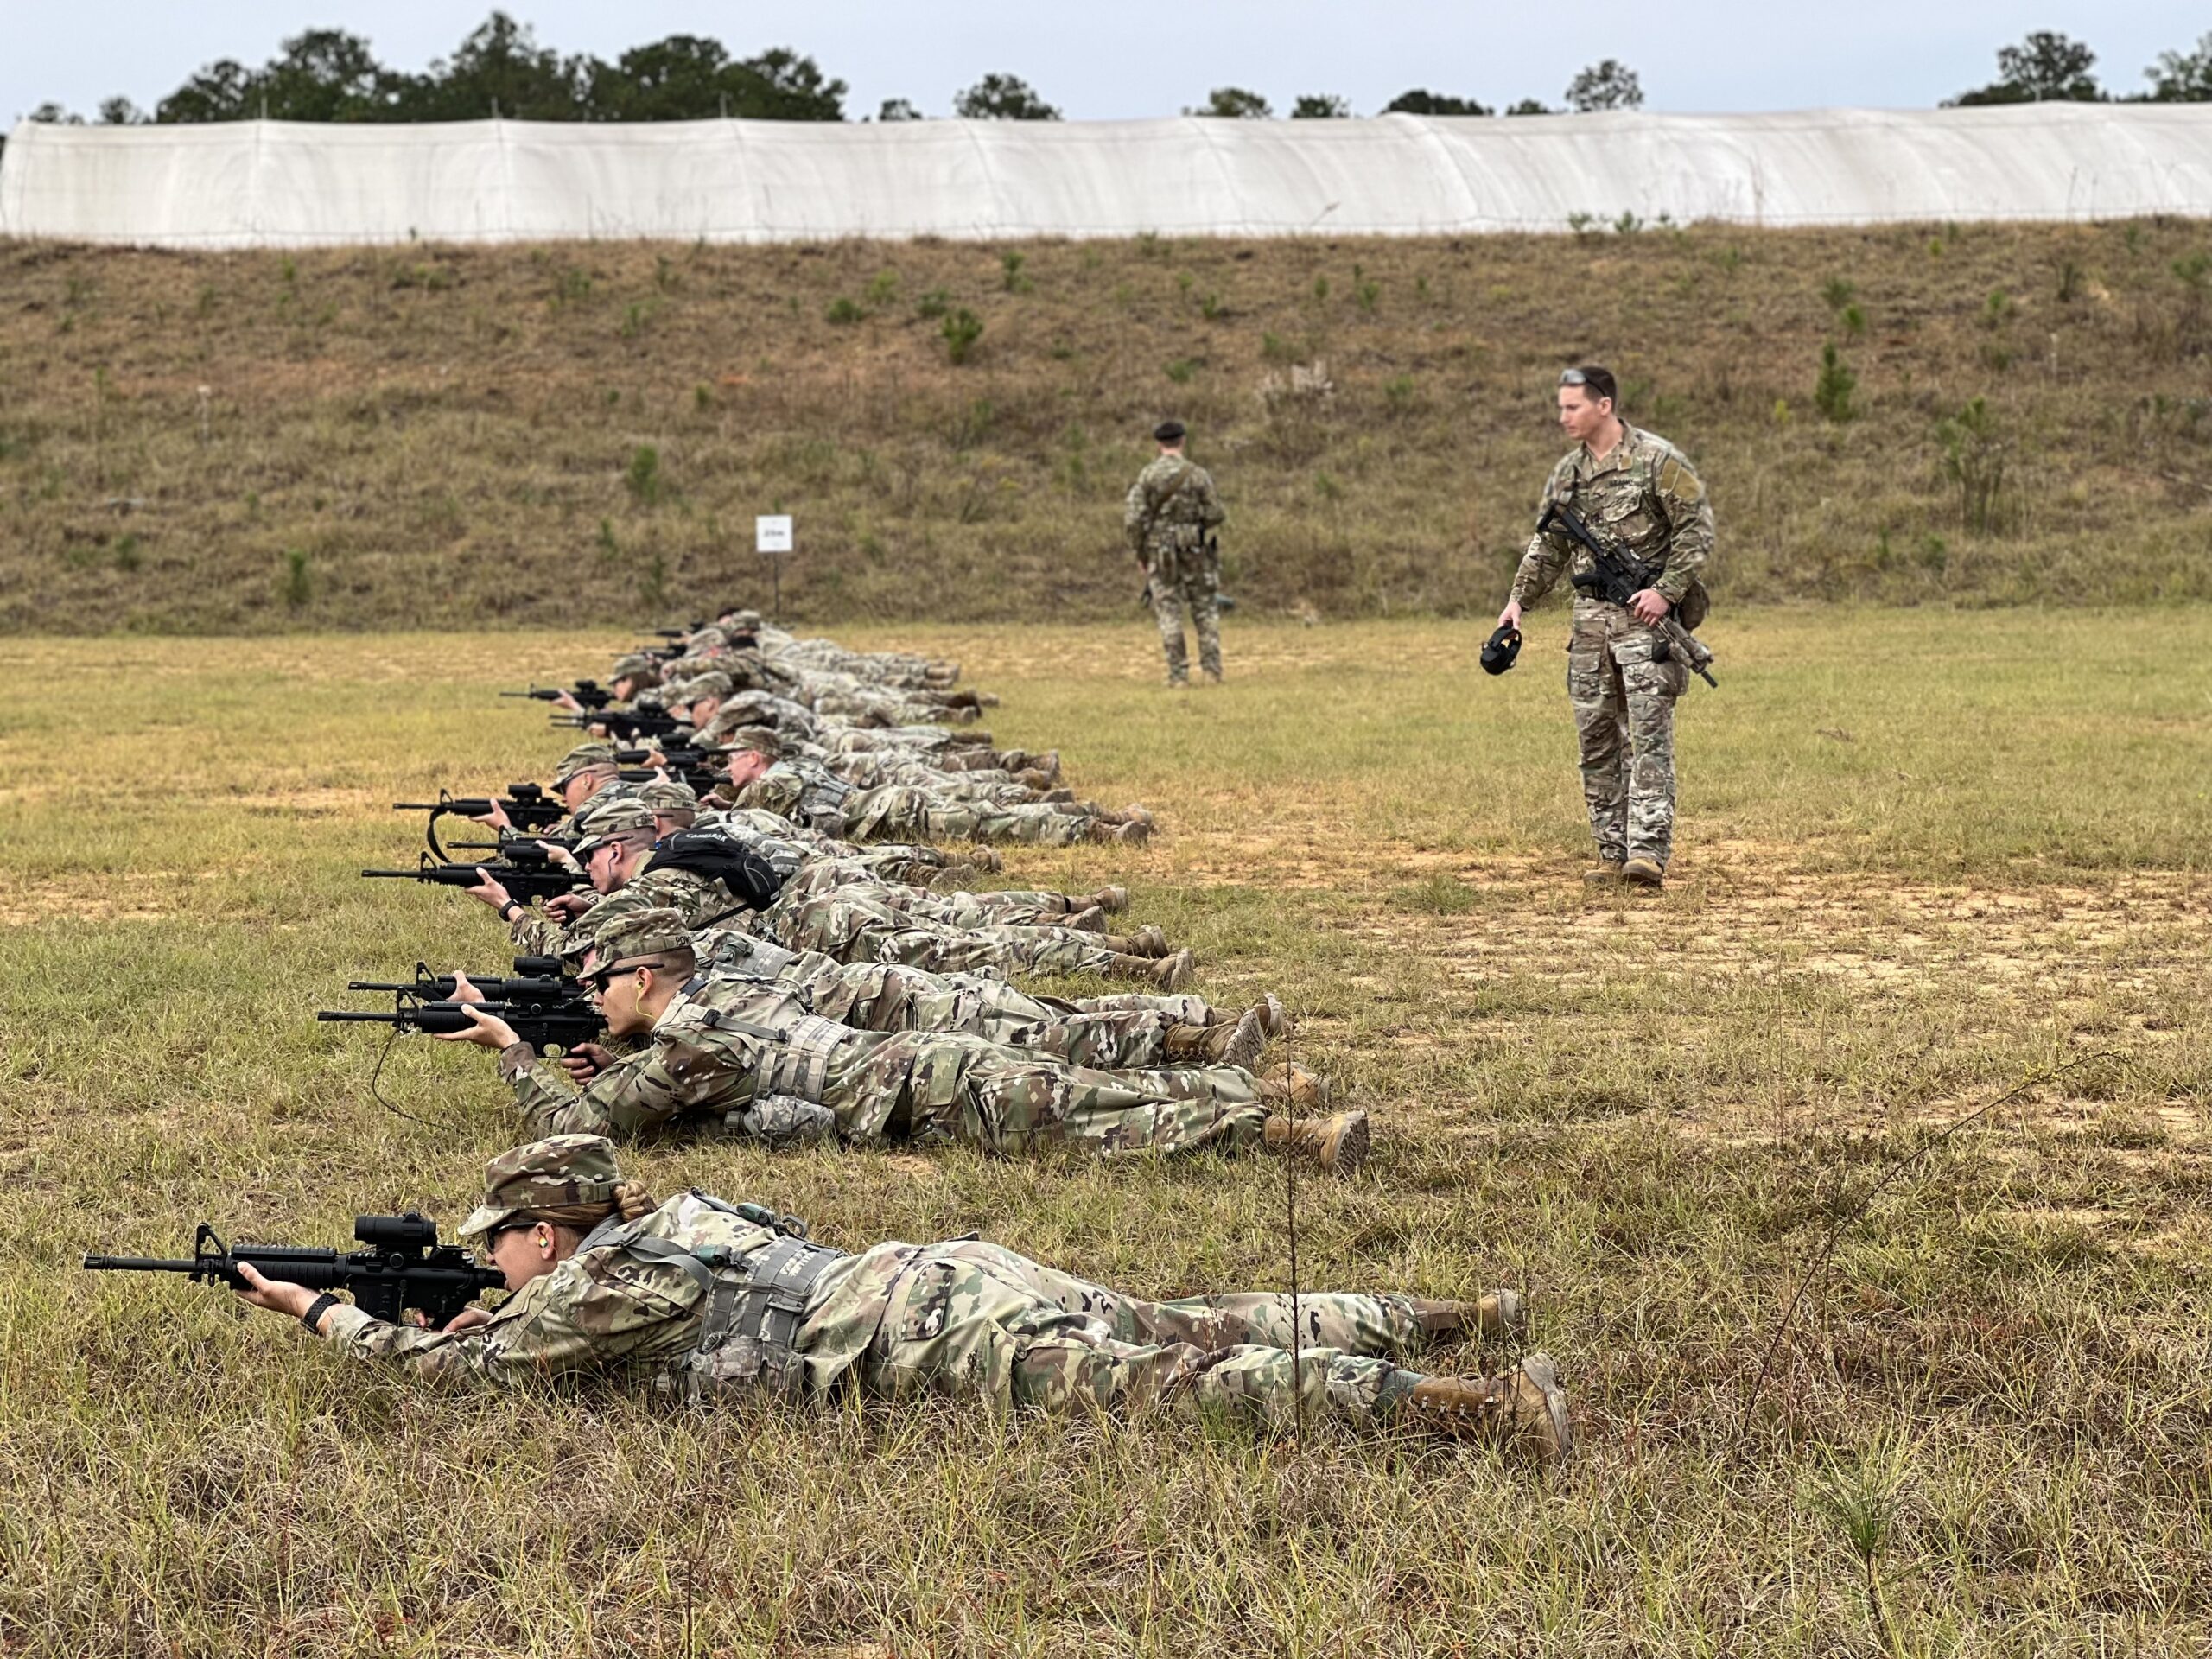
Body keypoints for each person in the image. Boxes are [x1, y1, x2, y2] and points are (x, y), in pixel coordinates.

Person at [231, 1134, 1570, 1461]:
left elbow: (455, 1380)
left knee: (1175, 1383)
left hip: (919, 1338)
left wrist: (323, 1315)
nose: (495, 1265)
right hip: (944, 1269)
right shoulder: (678, 1215)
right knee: (1188, 1321)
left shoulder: (601, 1280)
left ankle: (1481, 1407)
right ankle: (1456, 1314)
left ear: (544, 1226)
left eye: (503, 1244)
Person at [439, 910, 1363, 1170]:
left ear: (644, 981)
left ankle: (1291, 1133)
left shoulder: (689, 1050)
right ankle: (1276, 1096)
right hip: (923, 1071)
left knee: (1111, 1123)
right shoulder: (714, 1010)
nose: (592, 998)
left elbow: (594, 1128)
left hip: (925, 1092)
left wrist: (514, 1054)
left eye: (602, 984)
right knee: (1097, 1094)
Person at [1497, 365, 1713, 890]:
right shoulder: (1566, 475)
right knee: (1596, 739)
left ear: (1604, 405)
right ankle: (1611, 851)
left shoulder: (1658, 461)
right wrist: (1517, 601)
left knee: (1647, 737)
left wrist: (1666, 591)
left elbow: (1696, 530)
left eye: (1572, 406)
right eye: (1561, 406)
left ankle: (1647, 852)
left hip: (1646, 622)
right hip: (1590, 626)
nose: (1563, 416)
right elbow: (1547, 545)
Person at [1126, 420, 1228, 688]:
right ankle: (1211, 672)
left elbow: (1135, 520)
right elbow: (1217, 513)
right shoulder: (1197, 474)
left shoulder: (1148, 476)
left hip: (1160, 553)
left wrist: (1141, 553)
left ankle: (1178, 675)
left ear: (1159, 444)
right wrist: (1195, 526)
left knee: (1169, 611)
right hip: (1195, 550)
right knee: (1205, 610)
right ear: (1182, 441)